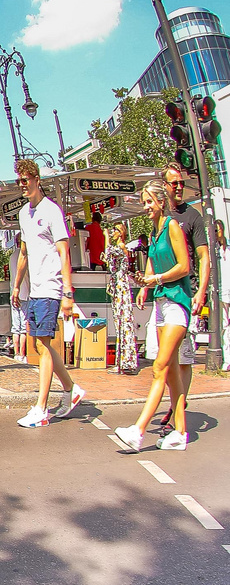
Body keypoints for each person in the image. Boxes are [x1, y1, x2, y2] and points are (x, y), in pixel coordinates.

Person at [115, 179, 192, 451]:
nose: (146, 206)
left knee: (159, 367)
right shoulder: (155, 231)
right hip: (161, 303)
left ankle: (139, 430)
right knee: (170, 372)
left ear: (161, 202)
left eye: (149, 201)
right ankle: (180, 433)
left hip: (177, 304)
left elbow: (184, 265)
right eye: (144, 202)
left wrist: (157, 278)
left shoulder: (171, 226)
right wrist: (146, 282)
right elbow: (151, 264)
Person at [11, 158, 85, 427]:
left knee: (43, 345)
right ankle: (71, 388)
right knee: (40, 344)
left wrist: (68, 292)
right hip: (35, 288)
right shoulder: (23, 214)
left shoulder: (51, 211)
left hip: (52, 287)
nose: (22, 185)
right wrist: (17, 284)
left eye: (26, 180)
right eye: (19, 181)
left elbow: (64, 252)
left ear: (37, 179)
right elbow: (24, 252)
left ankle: (41, 408)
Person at [144, 165, 208, 431]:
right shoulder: (160, 220)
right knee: (166, 361)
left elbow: (201, 258)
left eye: (181, 182)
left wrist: (201, 292)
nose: (179, 187)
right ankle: (177, 417)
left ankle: (175, 409)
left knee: (182, 359)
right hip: (163, 295)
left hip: (184, 293)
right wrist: (145, 286)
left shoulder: (191, 217)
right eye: (174, 183)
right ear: (165, 188)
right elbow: (153, 256)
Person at [104, 221, 140, 374]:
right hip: (117, 286)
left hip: (121, 286)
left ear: (121, 232)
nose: (113, 232)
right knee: (120, 322)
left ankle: (125, 362)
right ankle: (122, 361)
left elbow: (108, 252)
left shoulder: (121, 247)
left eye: (115, 230)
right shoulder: (119, 248)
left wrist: (106, 237)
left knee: (123, 322)